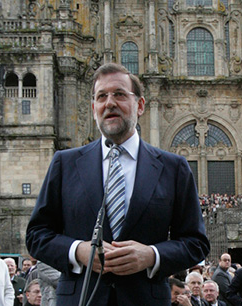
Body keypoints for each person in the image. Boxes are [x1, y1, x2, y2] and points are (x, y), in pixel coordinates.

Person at [25, 63, 210, 306]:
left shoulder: (173, 168)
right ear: (94, 108)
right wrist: (78, 251)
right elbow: (36, 235)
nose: (109, 102)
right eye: (102, 96)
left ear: (140, 105)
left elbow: (196, 243)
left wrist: (151, 256)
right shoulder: (65, 163)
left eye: (120, 94)